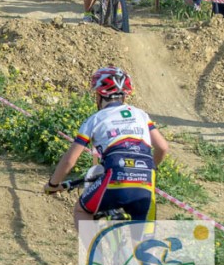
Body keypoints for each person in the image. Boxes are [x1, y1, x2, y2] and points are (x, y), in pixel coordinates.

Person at [46, 68, 168, 226]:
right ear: (124, 96)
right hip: (145, 182)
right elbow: (162, 147)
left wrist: (53, 185)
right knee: (143, 240)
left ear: (98, 96)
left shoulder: (94, 119)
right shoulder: (141, 114)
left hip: (115, 177)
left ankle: (94, 243)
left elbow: (70, 160)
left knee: (82, 211)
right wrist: (148, 169)